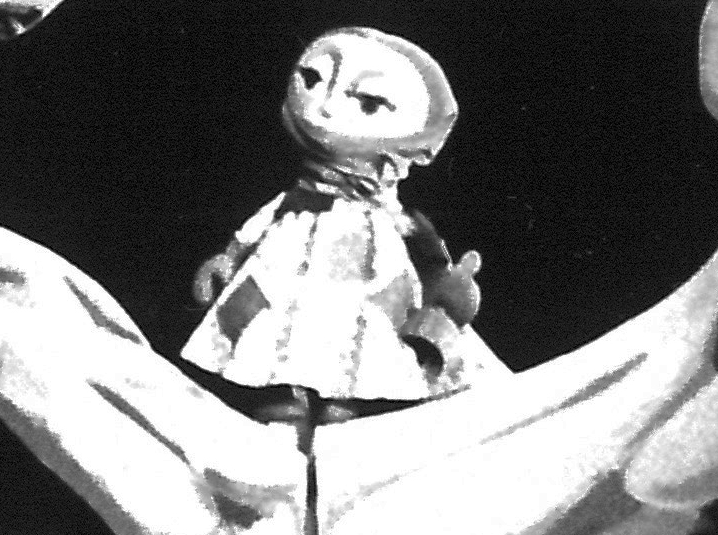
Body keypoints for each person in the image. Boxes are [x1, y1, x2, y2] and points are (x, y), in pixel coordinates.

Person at [183, 26, 500, 417]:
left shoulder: (388, 211)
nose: (328, 107)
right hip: (289, 270)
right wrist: (229, 258)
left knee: (360, 334)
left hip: (366, 283)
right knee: (283, 326)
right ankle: (283, 398)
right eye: (314, 80)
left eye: (368, 102)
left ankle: (345, 403)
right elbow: (258, 226)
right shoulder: (298, 199)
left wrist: (445, 282)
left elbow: (422, 244)